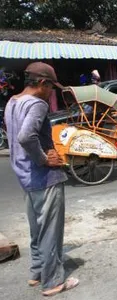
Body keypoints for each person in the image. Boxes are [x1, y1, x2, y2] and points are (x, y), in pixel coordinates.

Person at [4, 62, 79, 296]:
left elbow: (14, 137)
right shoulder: (37, 104)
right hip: (44, 176)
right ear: (42, 83)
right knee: (50, 231)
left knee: (36, 228)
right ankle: (53, 281)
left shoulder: (12, 102)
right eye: (51, 88)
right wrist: (45, 159)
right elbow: (27, 137)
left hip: (25, 175)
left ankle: (37, 272)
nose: (51, 93)